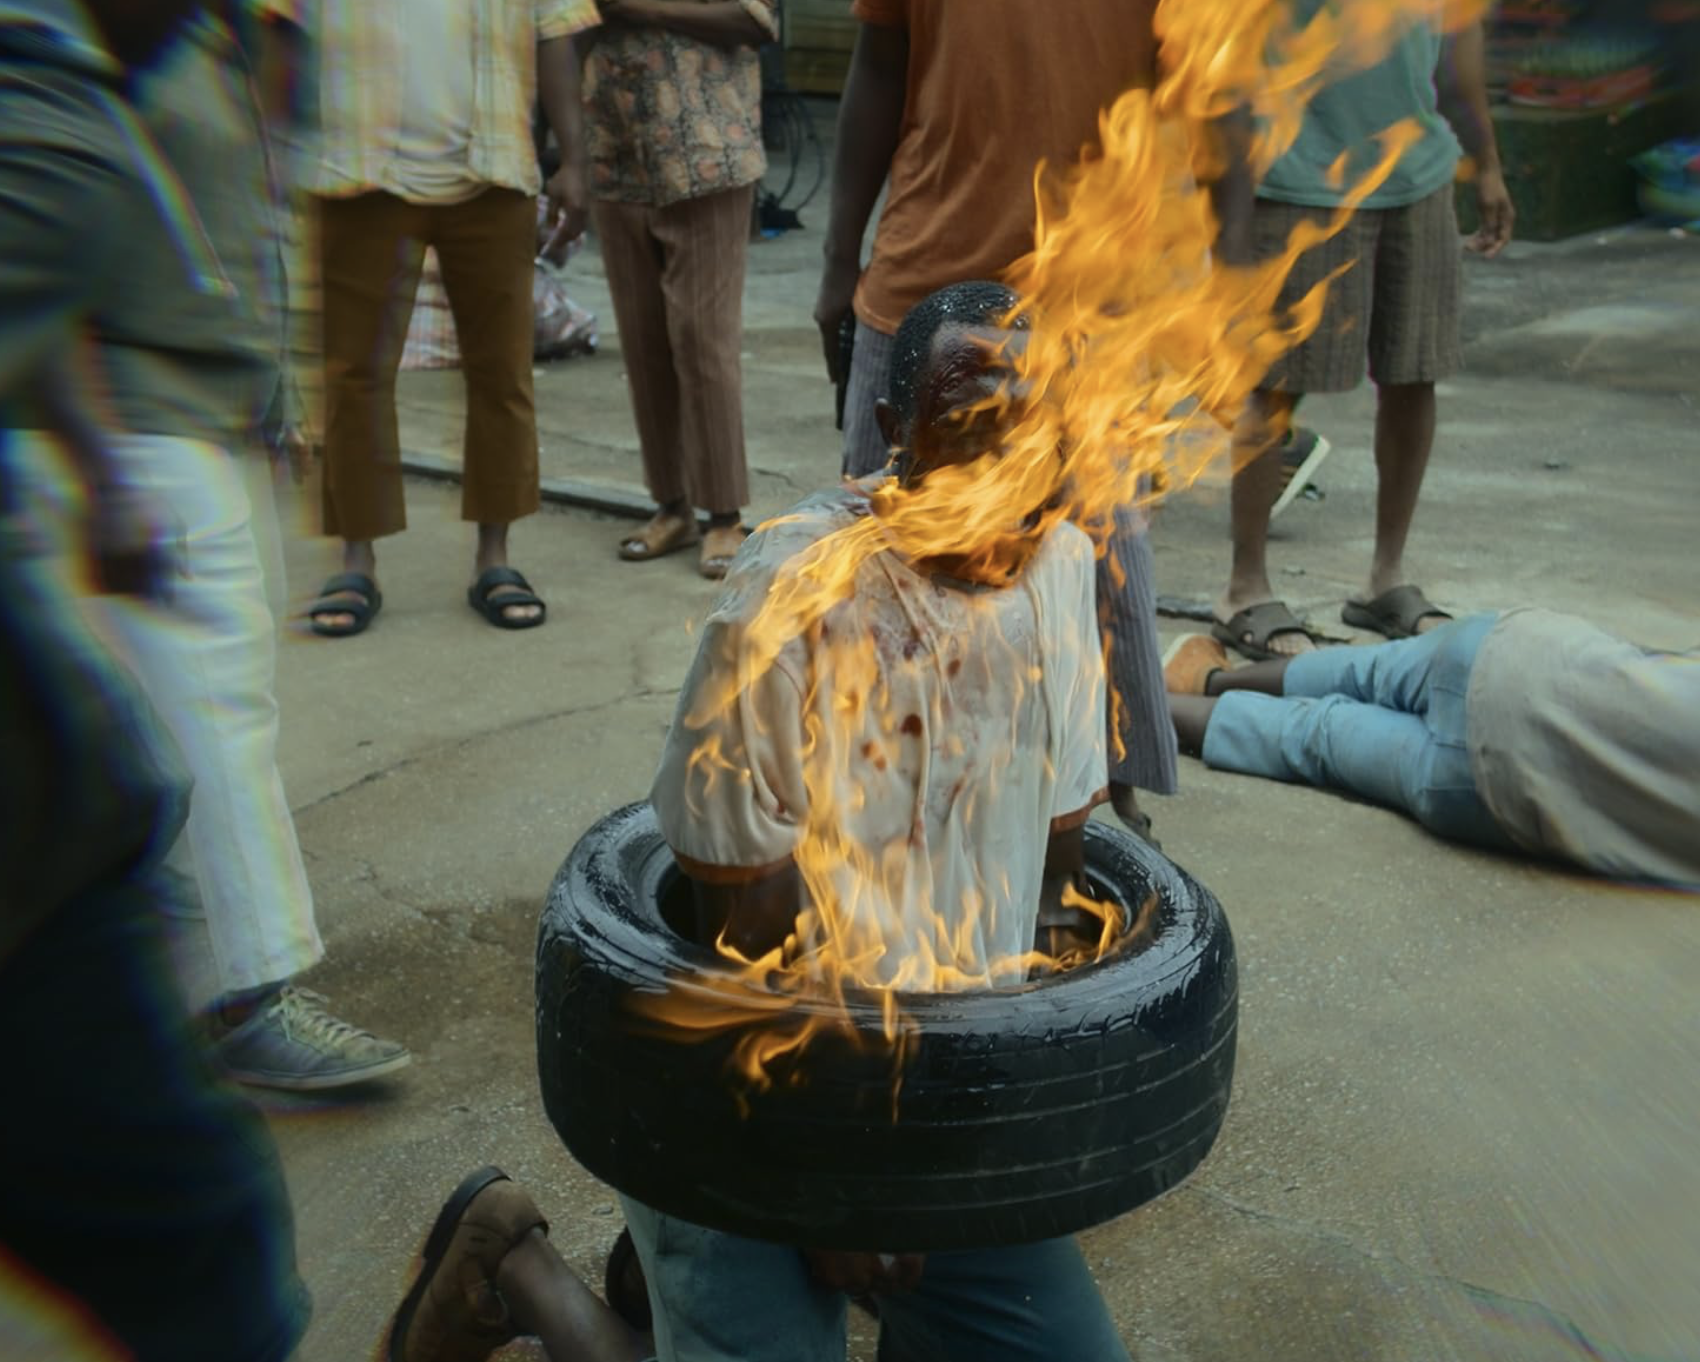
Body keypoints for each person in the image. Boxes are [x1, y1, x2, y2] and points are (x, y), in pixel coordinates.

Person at [383, 283, 1135, 1362]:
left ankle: (667, 1292)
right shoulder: (790, 603)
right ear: (893, 433)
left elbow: (1056, 877)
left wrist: (1001, 1145)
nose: (1012, 476)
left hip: (935, 1093)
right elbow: (753, 955)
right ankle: (513, 1264)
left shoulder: (1058, 560)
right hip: (747, 1089)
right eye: (971, 430)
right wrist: (829, 1190)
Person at [7, 0, 412, 1089]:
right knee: (209, 718)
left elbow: (237, 229)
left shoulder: (214, 41)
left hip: (199, 409)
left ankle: (171, 986)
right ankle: (239, 996)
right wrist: (98, 464)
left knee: (186, 717)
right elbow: (47, 266)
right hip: (130, 420)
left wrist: (268, 390)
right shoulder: (69, 53)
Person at [1, 1, 310, 1355]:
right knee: (198, 1243)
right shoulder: (53, 98)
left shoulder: (126, 78)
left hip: (160, 430)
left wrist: (88, 457)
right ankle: (241, 992)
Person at [812, 0, 1178, 840]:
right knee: (877, 563)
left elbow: (1205, 100)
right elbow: (878, 68)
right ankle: (865, 782)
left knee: (1100, 573)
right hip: (921, 281)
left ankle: (1105, 805)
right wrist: (839, 261)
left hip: (1090, 308)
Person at [1210, 5, 1514, 660]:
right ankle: (1244, 587)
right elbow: (1222, 57)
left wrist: (1486, 161)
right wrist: (1228, 222)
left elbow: (1459, 36)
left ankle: (1385, 577)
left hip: (1418, 175)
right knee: (1274, 387)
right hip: (1297, 178)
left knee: (1414, 374)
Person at [305, 0, 599, 635]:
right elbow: (273, 35)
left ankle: (495, 557)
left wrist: (574, 160)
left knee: (501, 374)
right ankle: (357, 560)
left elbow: (555, 33)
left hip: (492, 174)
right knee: (354, 374)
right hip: (360, 174)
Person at [1162, 619, 1700, 889]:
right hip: (1494, 789)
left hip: (1514, 657)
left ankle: (1207, 678)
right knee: (1318, 735)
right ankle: (1146, 707)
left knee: (1367, 669)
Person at [585, 0, 776, 581]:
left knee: (701, 338)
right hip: (617, 149)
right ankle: (671, 506)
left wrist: (638, 7)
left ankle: (724, 515)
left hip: (707, 152)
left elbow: (756, 20)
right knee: (642, 340)